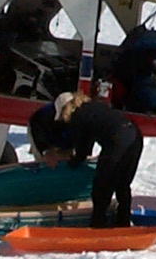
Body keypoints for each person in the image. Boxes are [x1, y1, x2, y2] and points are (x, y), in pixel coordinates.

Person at [57, 88, 144, 228]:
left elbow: (83, 149)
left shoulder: (78, 116)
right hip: (135, 135)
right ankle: (123, 221)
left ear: (64, 109)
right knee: (122, 183)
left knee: (102, 184)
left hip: (117, 138)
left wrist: (72, 162)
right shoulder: (94, 106)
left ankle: (98, 223)